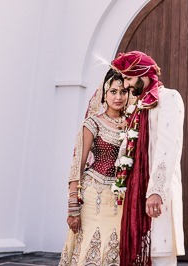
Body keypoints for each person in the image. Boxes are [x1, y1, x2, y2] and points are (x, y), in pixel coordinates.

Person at [111, 51, 185, 266]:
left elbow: (168, 146)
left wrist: (156, 191)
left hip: (155, 193)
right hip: (135, 193)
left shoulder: (168, 98)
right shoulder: (137, 106)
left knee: (158, 253)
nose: (126, 85)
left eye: (128, 78)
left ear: (143, 74)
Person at [59, 68, 129, 266]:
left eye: (123, 92)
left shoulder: (132, 124)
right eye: (113, 91)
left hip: (120, 199)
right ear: (104, 93)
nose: (118, 97)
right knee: (89, 249)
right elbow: (77, 164)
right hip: (93, 197)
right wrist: (73, 207)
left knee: (114, 250)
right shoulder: (93, 123)